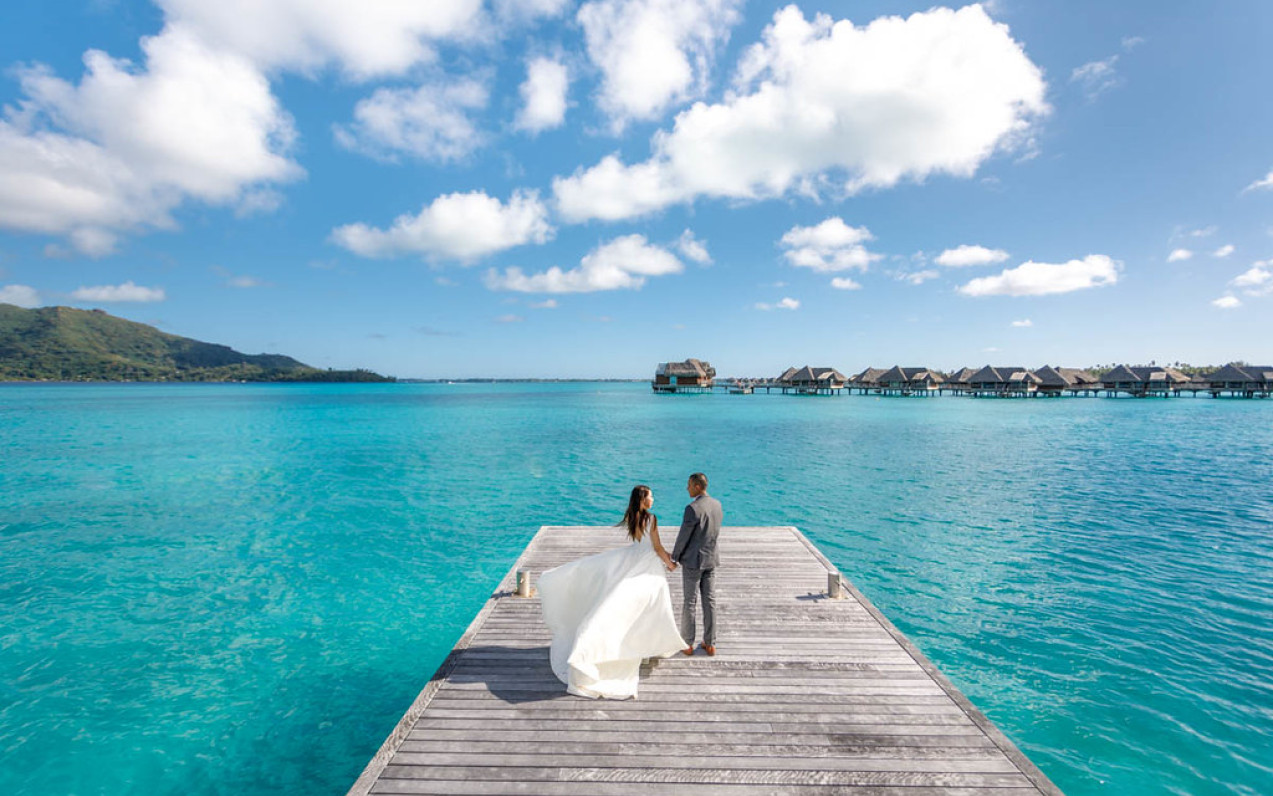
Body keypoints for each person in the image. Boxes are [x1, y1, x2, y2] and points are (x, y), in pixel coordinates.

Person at [536, 485, 688, 699]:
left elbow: (642, 544)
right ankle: (647, 645)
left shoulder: (633, 517)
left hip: (632, 560)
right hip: (647, 566)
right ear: (644, 499)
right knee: (653, 605)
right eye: (651, 496)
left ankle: (643, 646)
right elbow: (657, 548)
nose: (653, 498)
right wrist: (671, 564)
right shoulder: (651, 519)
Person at [671, 472, 722, 656]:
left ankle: (687, 643)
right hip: (711, 560)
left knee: (689, 602)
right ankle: (710, 643)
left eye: (689, 485)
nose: (687, 488)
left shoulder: (692, 509)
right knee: (710, 601)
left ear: (698, 487)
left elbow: (683, 536)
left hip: (693, 562)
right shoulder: (717, 505)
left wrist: (674, 557)